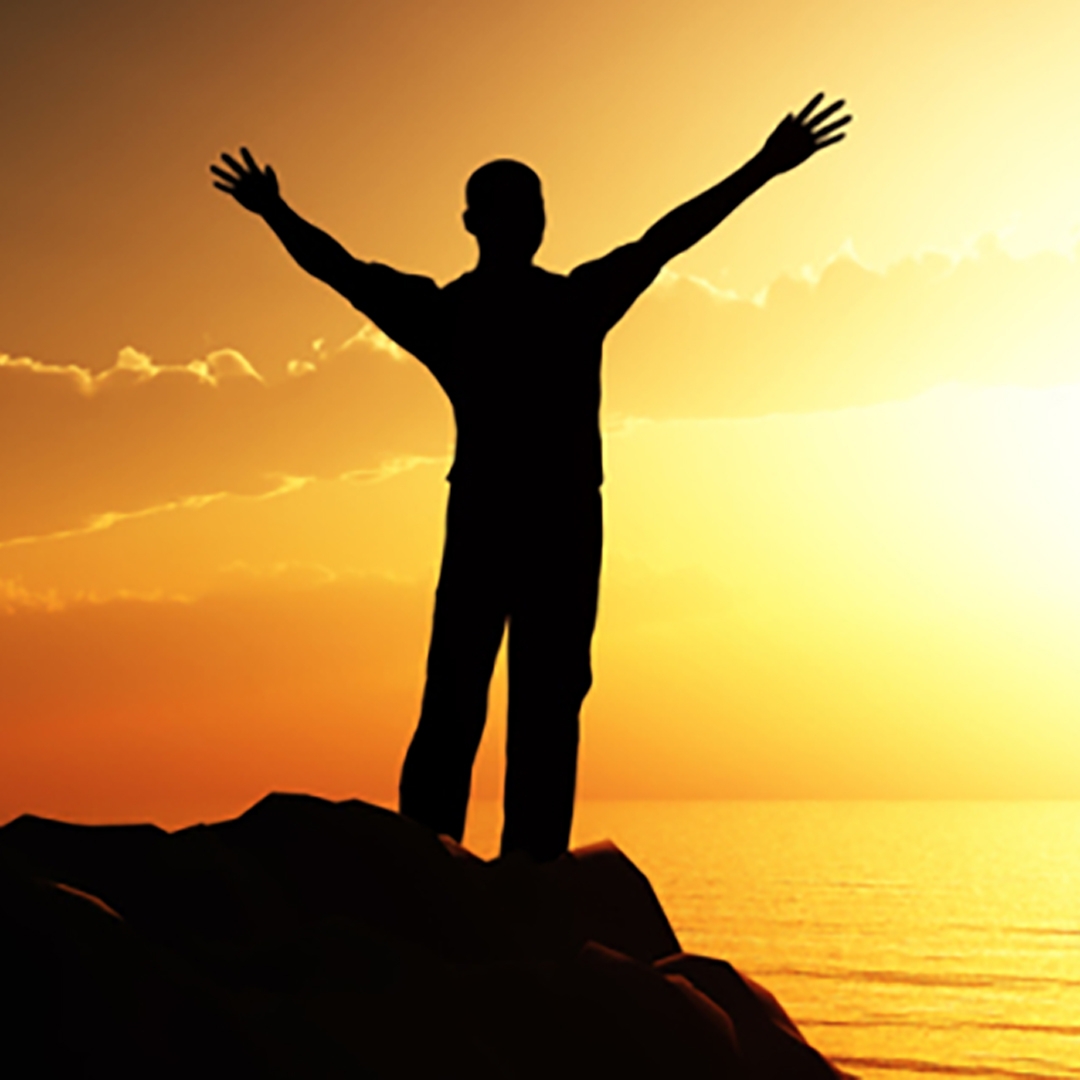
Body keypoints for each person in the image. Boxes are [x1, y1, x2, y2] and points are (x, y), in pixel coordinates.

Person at [212, 93, 850, 861]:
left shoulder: (483, 310)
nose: (531, 217)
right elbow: (665, 239)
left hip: (523, 526)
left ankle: (461, 864)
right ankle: (474, 866)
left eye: (534, 204)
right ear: (478, 222)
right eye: (519, 205)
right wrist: (762, 167)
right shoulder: (551, 304)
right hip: (540, 527)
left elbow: (344, 271)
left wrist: (275, 211)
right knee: (492, 699)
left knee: (499, 698)